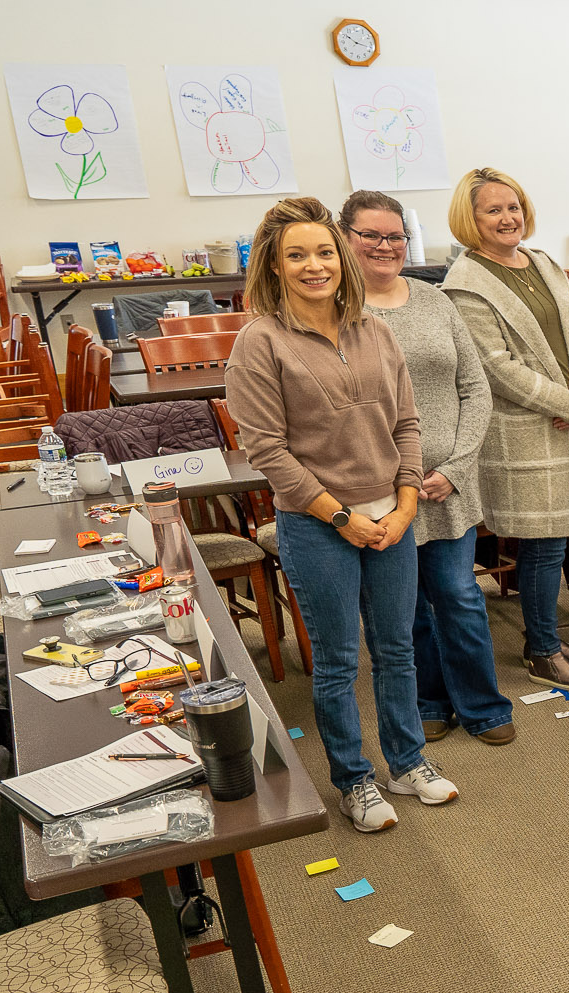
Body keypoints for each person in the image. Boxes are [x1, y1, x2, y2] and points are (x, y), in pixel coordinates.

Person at [228, 197, 458, 832]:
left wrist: (407, 502)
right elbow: (267, 451)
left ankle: (407, 764)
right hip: (317, 524)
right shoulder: (260, 342)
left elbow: (406, 423)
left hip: (392, 514)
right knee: (336, 662)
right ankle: (355, 782)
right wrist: (339, 518)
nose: (313, 265)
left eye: (323, 252)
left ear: (341, 259)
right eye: (295, 255)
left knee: (397, 650)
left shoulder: (374, 331)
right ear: (273, 267)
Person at [340, 190, 515, 745]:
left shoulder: (436, 302)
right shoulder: (338, 314)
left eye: (396, 236)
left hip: (447, 484)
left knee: (458, 595)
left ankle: (485, 706)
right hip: (381, 491)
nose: (386, 246)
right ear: (346, 239)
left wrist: (459, 467)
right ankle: (430, 700)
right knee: (404, 607)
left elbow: (475, 388)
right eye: (371, 235)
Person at [440, 167, 569, 691]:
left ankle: (548, 636)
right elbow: (495, 366)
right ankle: (542, 652)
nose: (507, 218)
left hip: (566, 418)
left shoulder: (541, 262)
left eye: (513, 207)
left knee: (555, 538)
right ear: (471, 220)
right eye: (493, 210)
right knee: (542, 542)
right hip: (522, 430)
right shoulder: (464, 284)